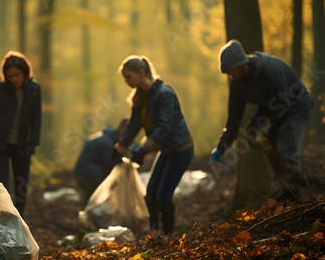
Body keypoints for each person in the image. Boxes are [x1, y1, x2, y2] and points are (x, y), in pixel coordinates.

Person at [211, 39, 313, 201]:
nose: (230, 76)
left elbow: (283, 105)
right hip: (271, 108)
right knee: (267, 145)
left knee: (286, 145)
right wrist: (222, 145)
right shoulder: (237, 85)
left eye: (231, 71)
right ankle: (287, 190)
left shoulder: (270, 70)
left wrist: (270, 132)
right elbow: (234, 118)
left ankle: (296, 193)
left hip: (296, 105)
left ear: (241, 63)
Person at [114, 55, 194, 233]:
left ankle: (167, 237)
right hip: (166, 150)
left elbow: (165, 126)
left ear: (141, 73)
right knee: (150, 195)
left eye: (128, 77)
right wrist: (121, 146)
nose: (126, 81)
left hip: (181, 149)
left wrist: (144, 149)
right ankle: (154, 233)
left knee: (163, 196)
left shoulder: (164, 94)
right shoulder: (141, 97)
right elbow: (134, 124)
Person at [0, 51, 41, 216]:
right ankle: (3, 223)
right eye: (10, 76)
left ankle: (19, 225)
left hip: (22, 146)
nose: (14, 79)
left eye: (17, 75)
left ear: (25, 72)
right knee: (1, 188)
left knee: (21, 189)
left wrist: (32, 144)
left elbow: (36, 119)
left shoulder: (34, 89)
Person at [74, 119, 129, 203]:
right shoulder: (107, 142)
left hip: (81, 172)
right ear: (121, 128)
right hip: (88, 175)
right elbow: (109, 165)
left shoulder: (104, 137)